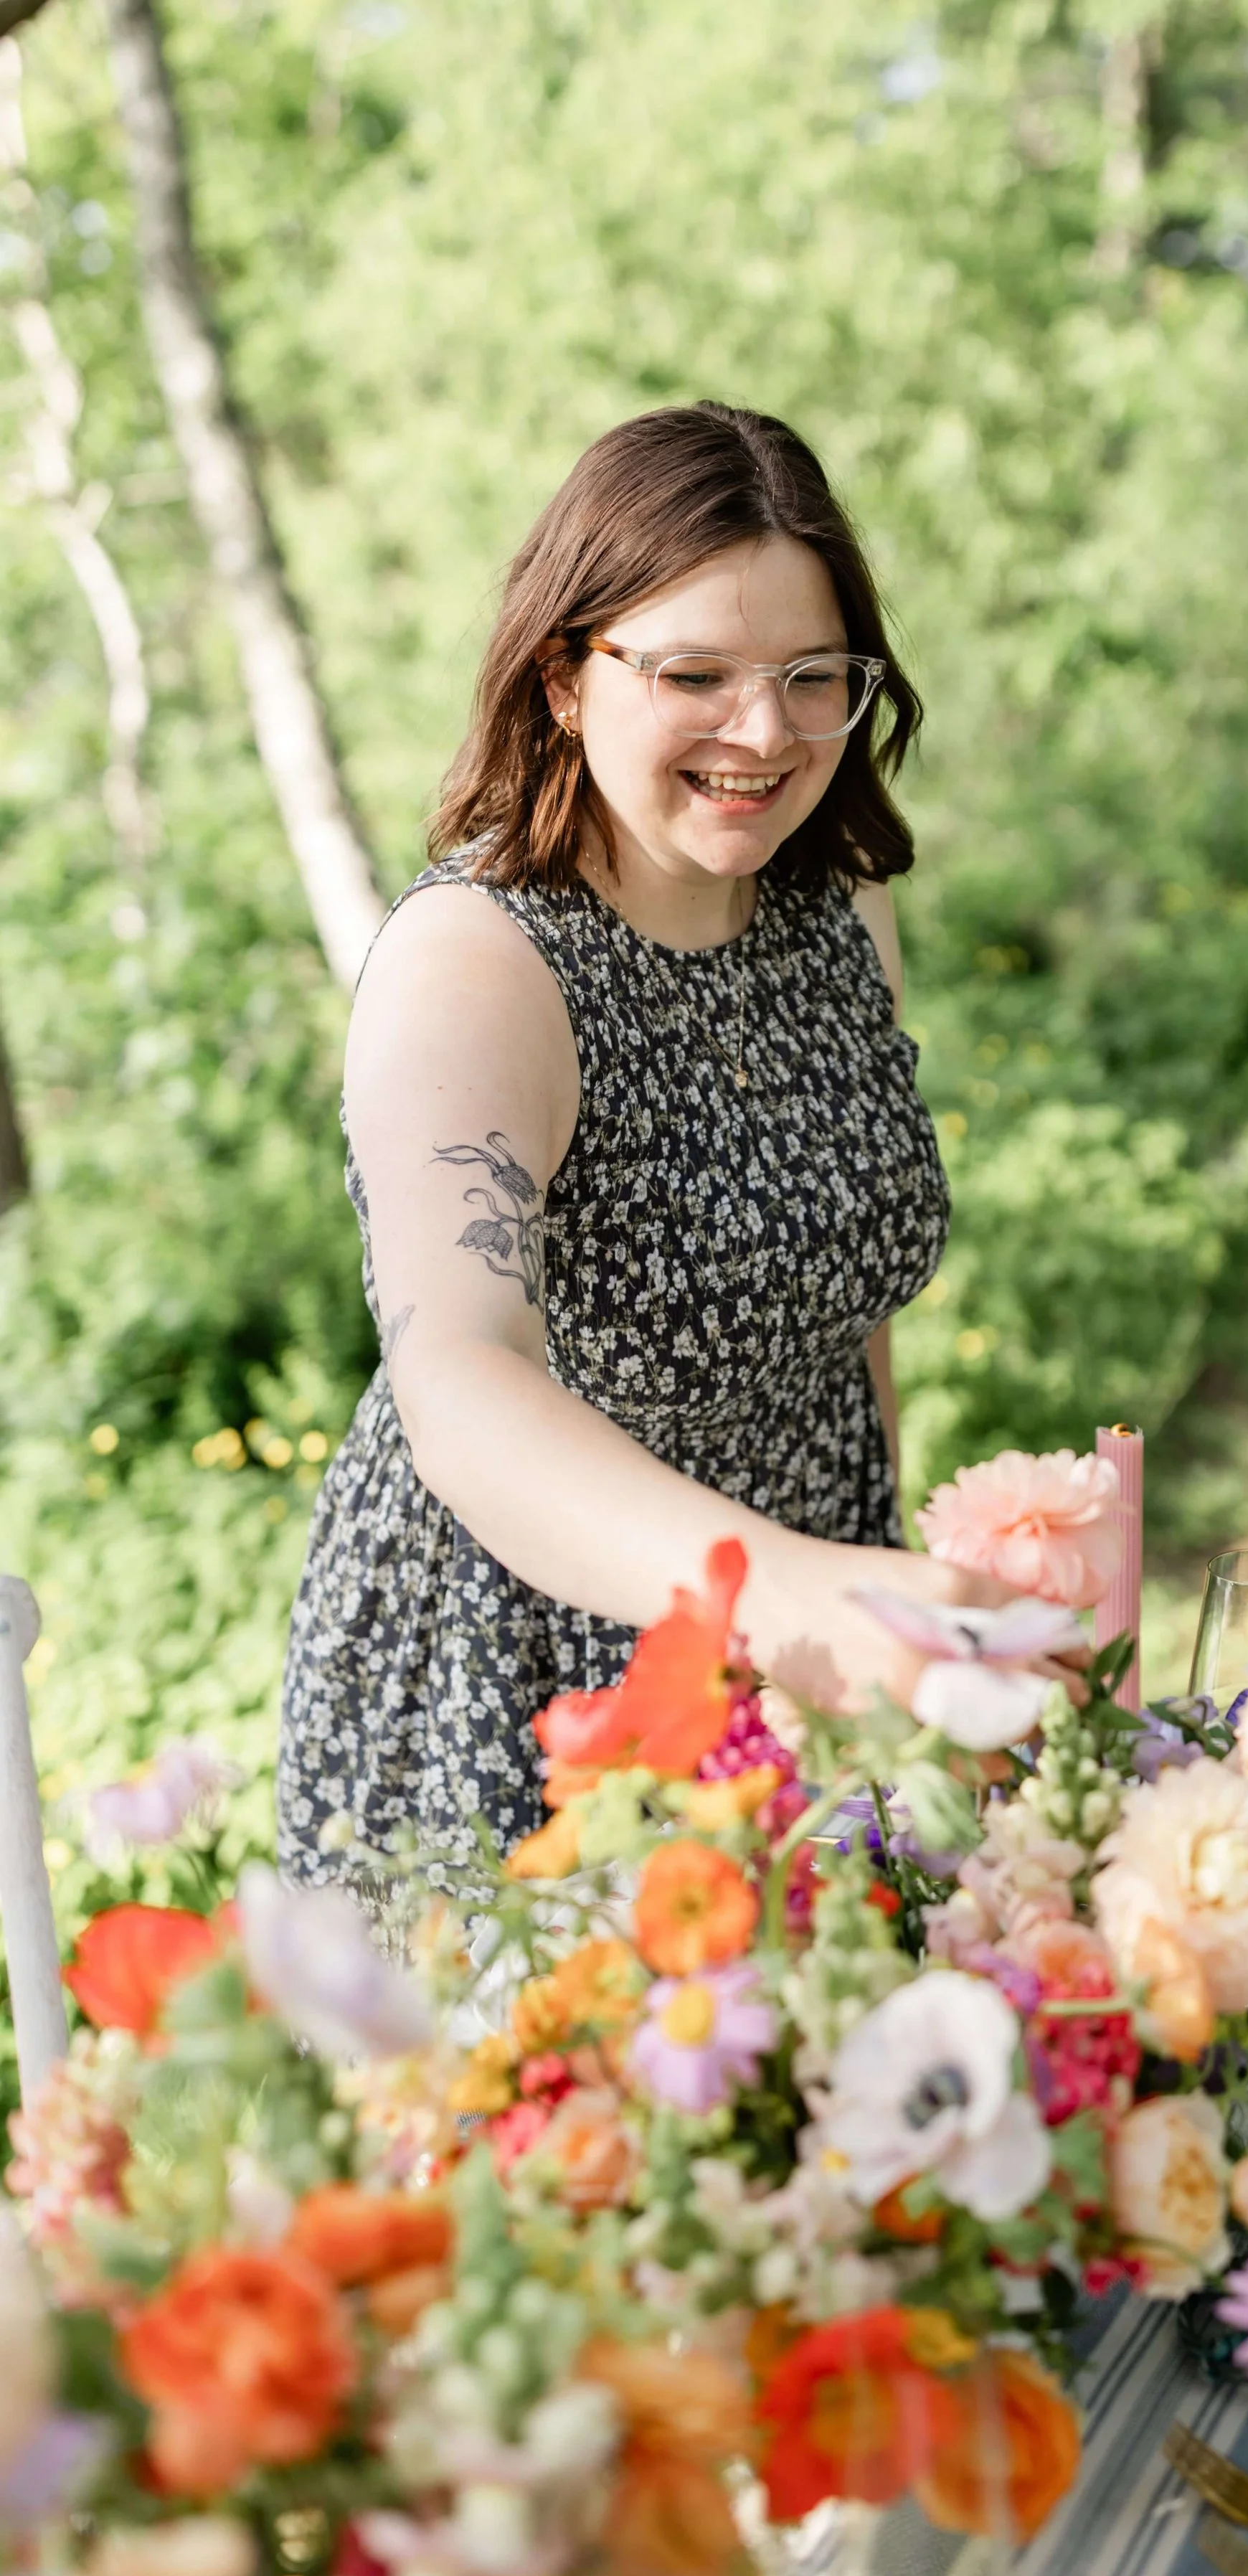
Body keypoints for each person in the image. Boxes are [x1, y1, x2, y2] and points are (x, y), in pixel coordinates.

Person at [278, 401, 1064, 1884]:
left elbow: (851, 1309)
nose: (763, 735)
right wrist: (796, 1596)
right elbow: (458, 1376)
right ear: (566, 677)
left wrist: (864, 1572)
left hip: (806, 1646)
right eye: (696, 674)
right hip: (537, 1687)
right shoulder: (477, 963)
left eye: (811, 677)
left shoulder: (837, 911)